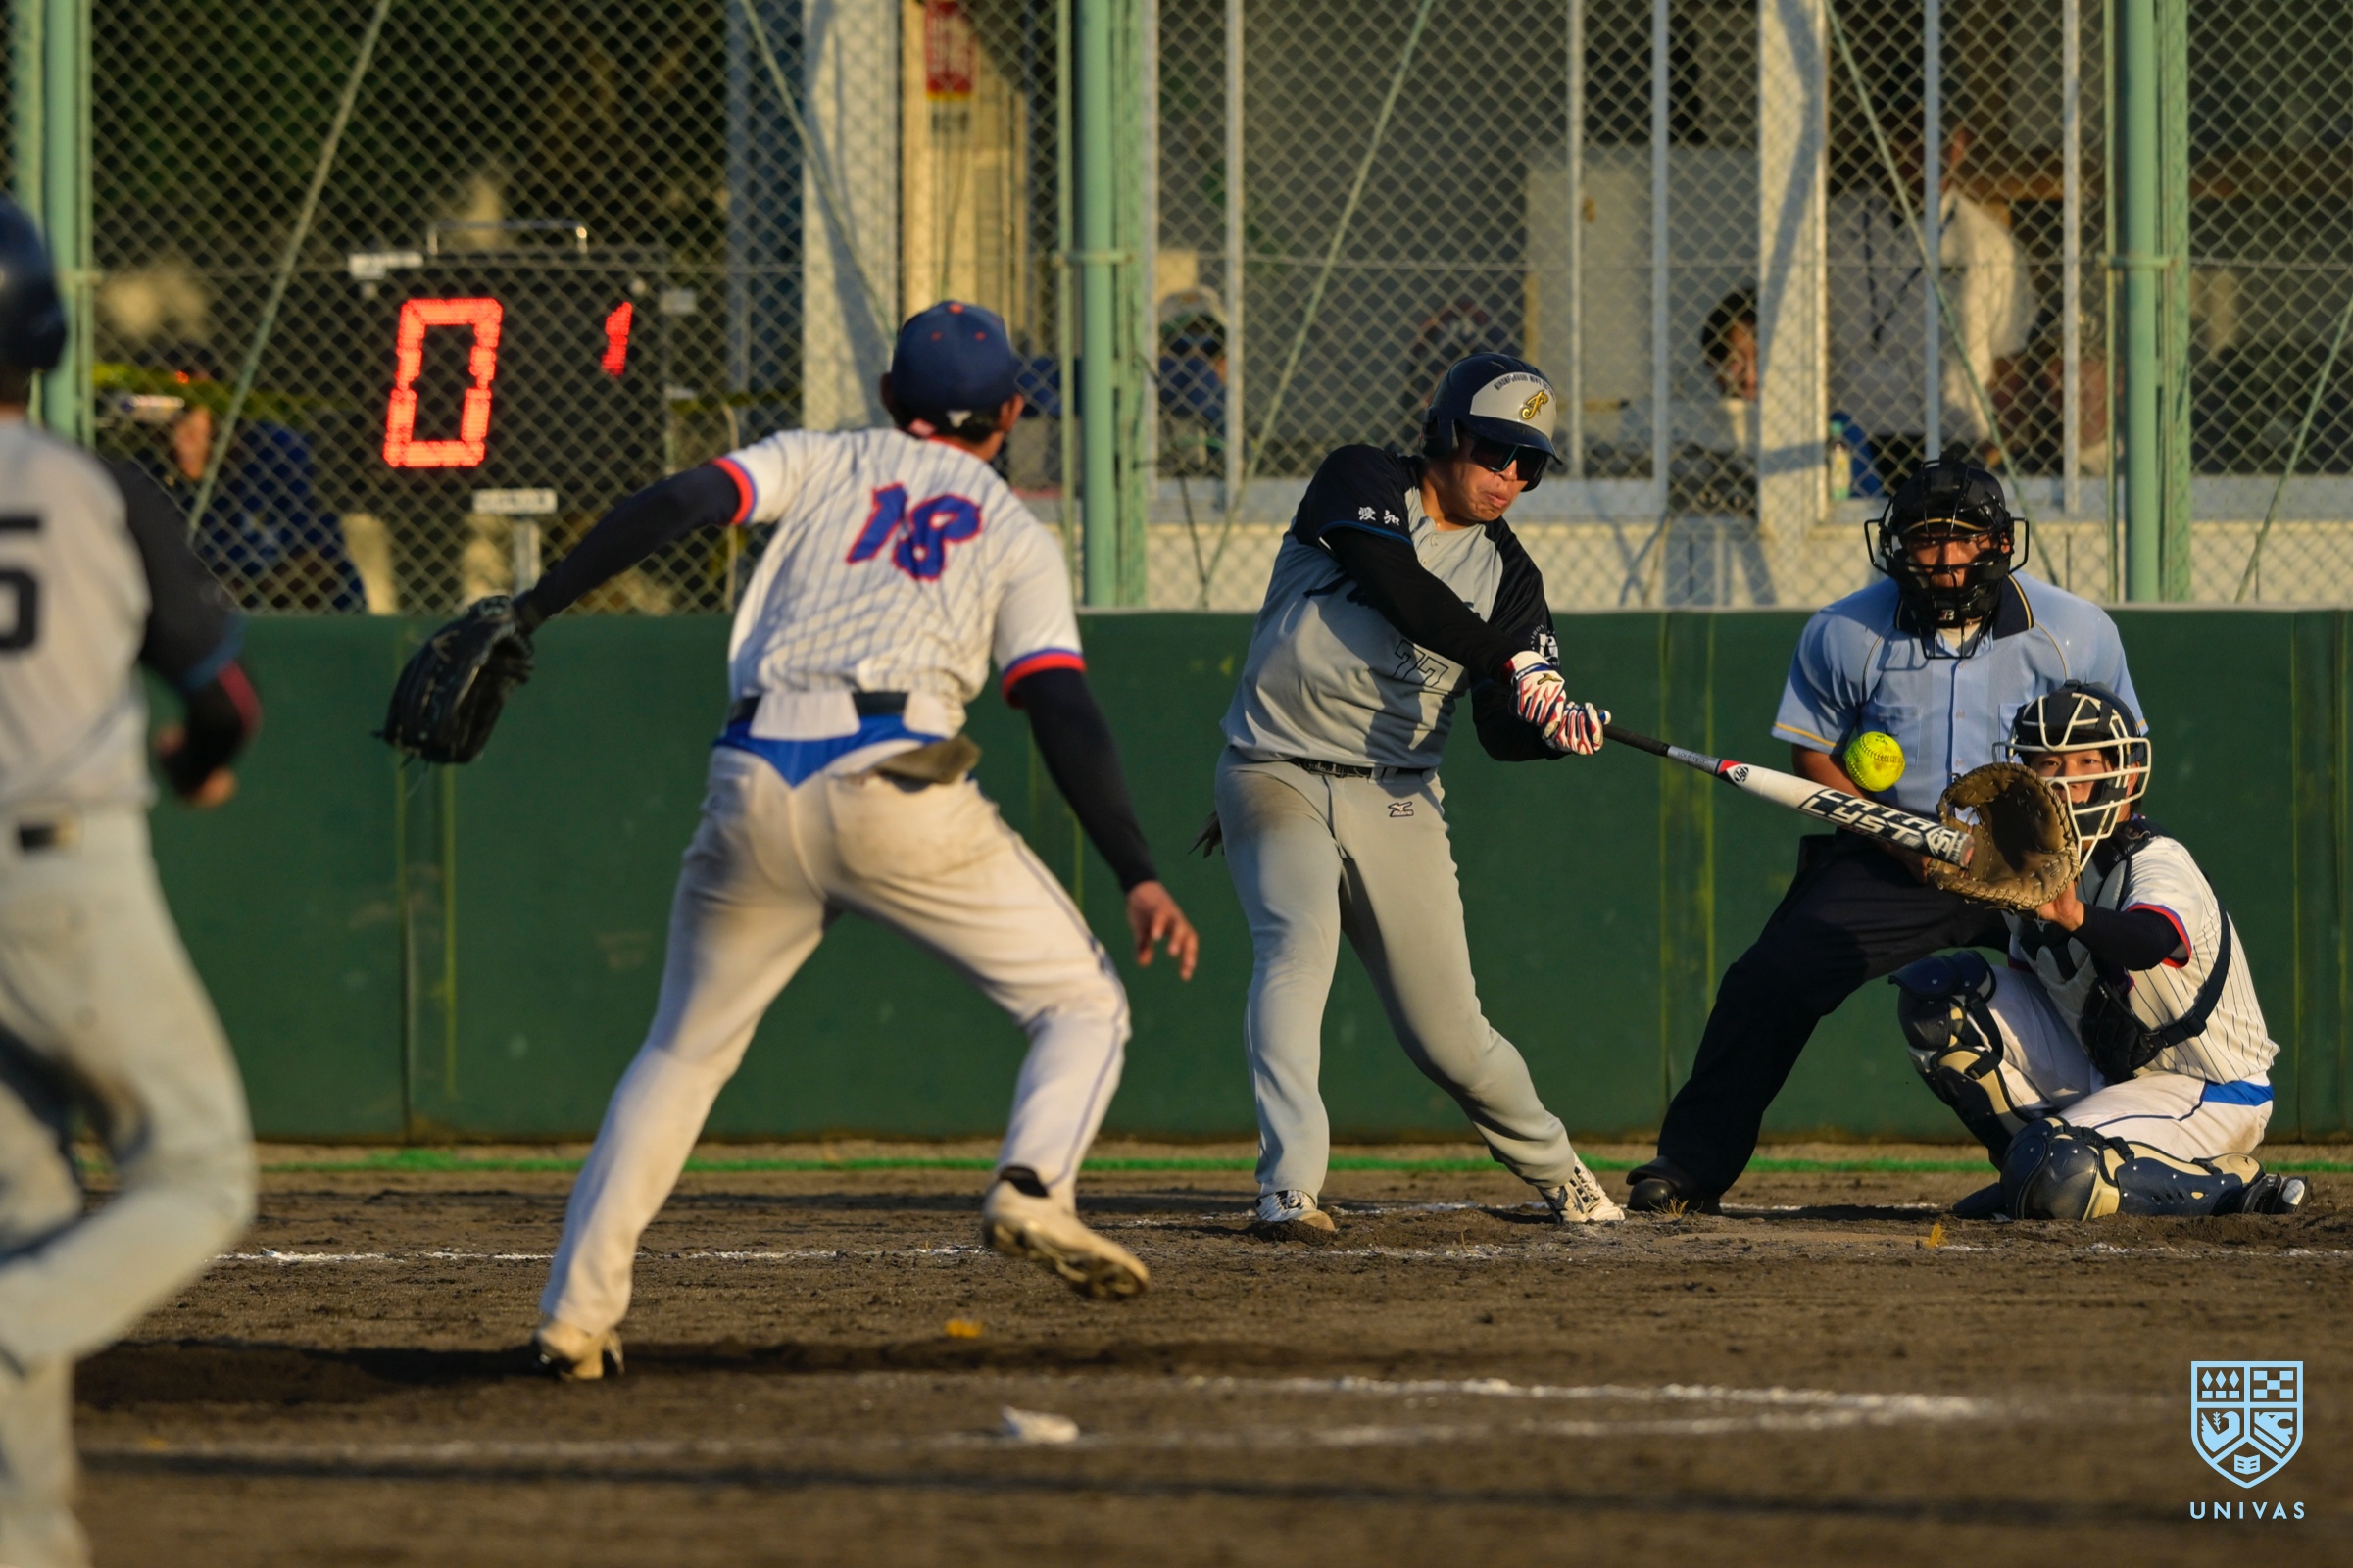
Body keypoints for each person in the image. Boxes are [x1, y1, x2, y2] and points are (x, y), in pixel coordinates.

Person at [505, 300, 1200, 1379]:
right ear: (1011, 414)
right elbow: (1058, 703)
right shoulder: (1013, 531)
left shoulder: (820, 458)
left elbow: (681, 500)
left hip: (751, 774)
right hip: (893, 775)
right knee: (1083, 1005)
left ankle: (573, 1319)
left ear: (886, 397)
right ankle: (1031, 1187)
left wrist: (533, 606)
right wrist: (1137, 872)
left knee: (680, 1054)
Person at [1625, 459, 2138, 1213]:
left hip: (2038, 865)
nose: (1943, 558)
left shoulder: (2073, 630)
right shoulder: (1844, 630)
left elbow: (2120, 757)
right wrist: (1905, 842)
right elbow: (1813, 757)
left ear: (2000, 542)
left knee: (2122, 993)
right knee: (1768, 979)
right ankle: (1690, 1166)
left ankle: (2130, 1153)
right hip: (1897, 856)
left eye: (1963, 538)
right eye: (1925, 540)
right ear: (1896, 547)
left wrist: (2068, 861)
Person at [1208, 351, 1623, 1239]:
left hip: (1396, 796)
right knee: (1296, 948)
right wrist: (1509, 663)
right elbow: (1395, 584)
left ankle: (1563, 1174)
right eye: (1495, 452)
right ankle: (1288, 1187)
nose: (1509, 477)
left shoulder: (1511, 580)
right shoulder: (1361, 480)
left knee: (1452, 1042)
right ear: (1447, 433)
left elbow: (1501, 733)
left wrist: (1548, 725)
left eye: (1530, 465)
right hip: (1274, 770)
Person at [0, 200, 262, 1567]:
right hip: (58, 876)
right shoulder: (95, 488)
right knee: (201, 1174)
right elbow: (226, 699)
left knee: (27, 1218)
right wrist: (197, 760)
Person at [1890, 685, 2304, 1219]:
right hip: (2107, 1072)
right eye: (2049, 764)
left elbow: (2149, 941)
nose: (2064, 781)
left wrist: (2072, 915)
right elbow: (2034, 992)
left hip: (2209, 1090)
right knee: (1941, 1001)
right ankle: (2032, 1168)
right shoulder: (2031, 870)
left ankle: (2234, 1186)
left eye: (2086, 762)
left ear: (2124, 777)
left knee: (2057, 1171)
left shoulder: (2157, 860)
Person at [1828, 110, 2038, 487]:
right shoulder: (1833, 224)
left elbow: (2009, 361)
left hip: (1951, 436)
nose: (1922, 152)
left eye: (1937, 139)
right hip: (1852, 431)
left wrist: (1991, 446)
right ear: (1885, 140)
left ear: (1960, 145)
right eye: (1908, 136)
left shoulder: (1987, 243)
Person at [140, 347, 366, 612]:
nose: (179, 439)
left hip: (302, 616)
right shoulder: (149, 475)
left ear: (219, 414)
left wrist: (236, 594)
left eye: (189, 421)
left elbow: (320, 564)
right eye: (168, 423)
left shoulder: (276, 452)